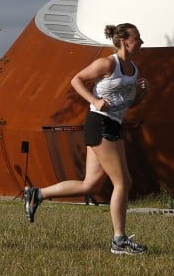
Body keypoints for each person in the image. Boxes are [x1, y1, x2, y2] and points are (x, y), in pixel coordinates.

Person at [22, 23, 150, 255]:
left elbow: (128, 105)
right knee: (123, 182)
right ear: (124, 41)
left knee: (90, 184)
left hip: (113, 124)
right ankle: (119, 240)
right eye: (137, 38)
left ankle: (38, 193)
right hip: (99, 123)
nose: (141, 42)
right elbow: (76, 80)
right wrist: (95, 99)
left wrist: (142, 93)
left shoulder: (133, 69)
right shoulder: (108, 63)